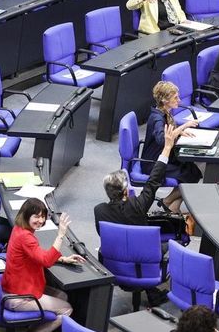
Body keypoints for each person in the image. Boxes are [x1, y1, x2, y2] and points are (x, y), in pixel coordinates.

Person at [94, 123, 180, 305]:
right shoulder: (138, 205)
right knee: (175, 242)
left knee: (135, 248)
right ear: (126, 192)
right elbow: (154, 180)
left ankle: (150, 290)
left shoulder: (99, 211)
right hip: (144, 260)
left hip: (115, 264)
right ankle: (157, 288)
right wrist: (167, 147)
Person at [2, 198, 85, 332]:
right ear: (26, 216)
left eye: (42, 217)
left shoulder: (19, 229)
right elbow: (46, 261)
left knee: (62, 296)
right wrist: (60, 235)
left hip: (15, 286)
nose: (40, 221)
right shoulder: (26, 237)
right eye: (36, 217)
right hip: (20, 296)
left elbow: (36, 256)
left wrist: (63, 259)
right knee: (66, 309)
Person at [142, 81, 202, 212]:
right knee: (188, 176)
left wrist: (179, 132)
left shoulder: (164, 112)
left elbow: (167, 132)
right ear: (164, 100)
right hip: (154, 163)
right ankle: (167, 201)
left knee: (193, 171)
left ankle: (173, 206)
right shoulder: (157, 118)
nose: (179, 100)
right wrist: (183, 126)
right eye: (175, 98)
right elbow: (162, 139)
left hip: (165, 156)